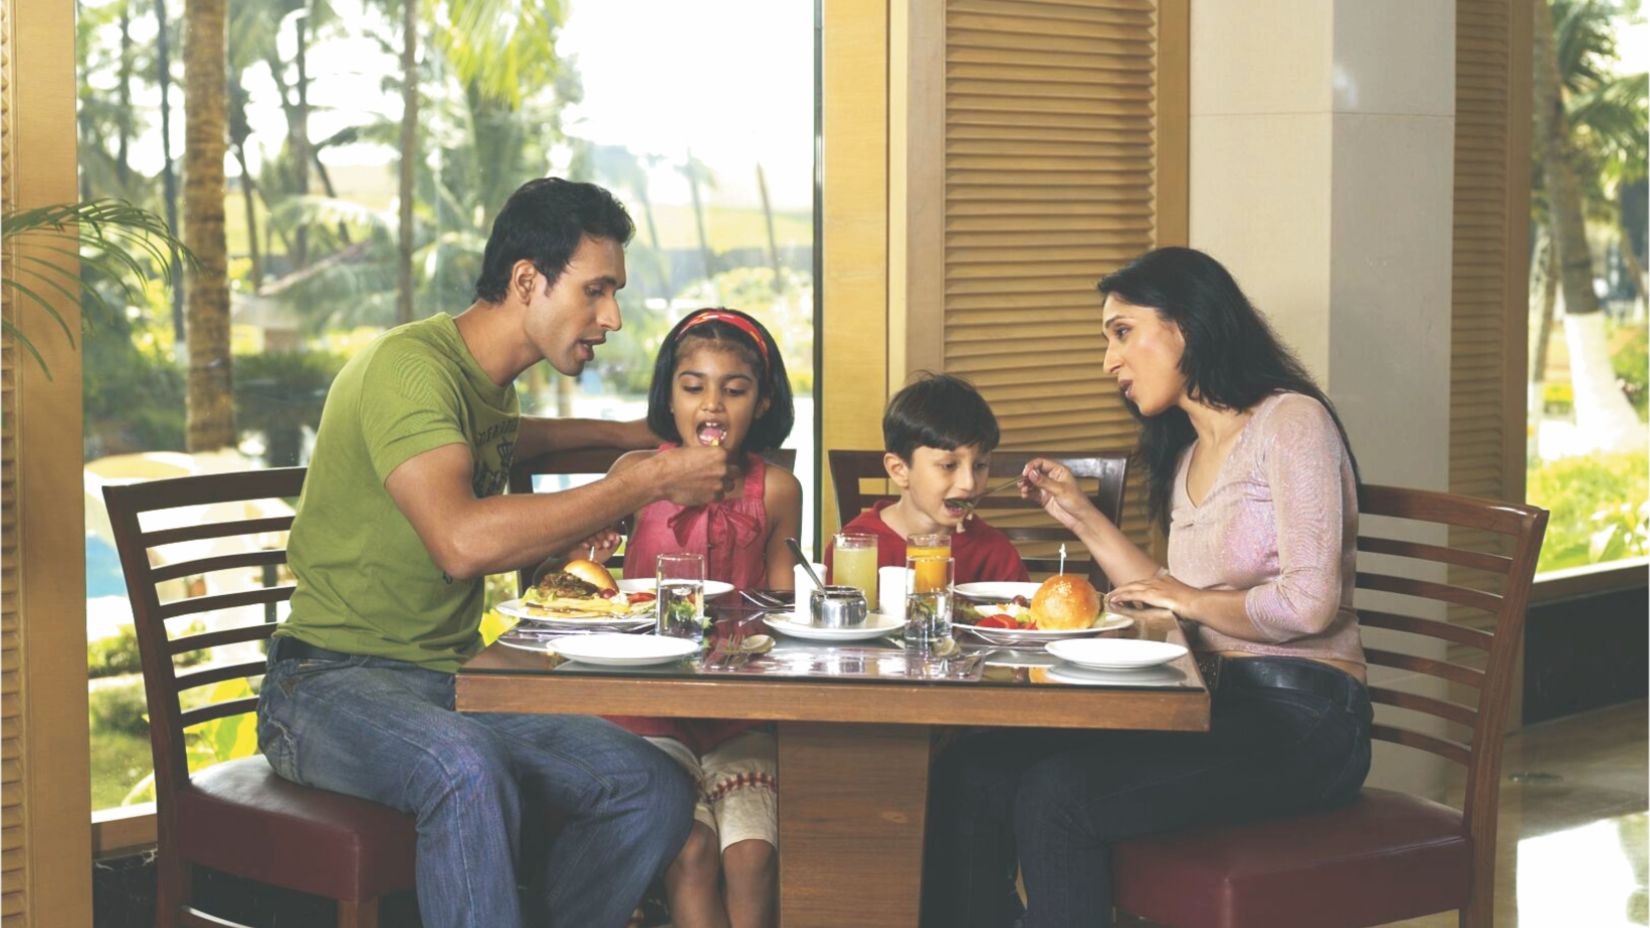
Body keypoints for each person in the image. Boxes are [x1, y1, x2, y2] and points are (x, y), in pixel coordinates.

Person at [256, 177, 743, 928]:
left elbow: (525, 442)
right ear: (527, 281)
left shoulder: (488, 392)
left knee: (650, 786)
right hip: (325, 687)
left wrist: (629, 439)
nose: (611, 317)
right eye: (596, 290)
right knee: (465, 769)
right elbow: (460, 542)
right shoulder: (410, 370)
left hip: (446, 688)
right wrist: (643, 479)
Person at [919, 246, 1374, 928]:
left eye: (1122, 332)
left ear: (1187, 324)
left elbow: (1309, 604)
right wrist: (1078, 513)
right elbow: (1166, 590)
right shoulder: (1190, 449)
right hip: (1209, 704)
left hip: (1305, 718)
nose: (1110, 361)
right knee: (975, 771)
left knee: (1057, 796)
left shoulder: (1290, 422)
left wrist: (1182, 598)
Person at [602, 307, 801, 928]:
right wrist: (589, 558)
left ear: (763, 402)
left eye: (734, 389)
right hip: (645, 711)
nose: (712, 404)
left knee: (749, 856)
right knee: (690, 853)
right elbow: (590, 589)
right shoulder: (636, 476)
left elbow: (783, 603)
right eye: (694, 387)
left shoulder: (776, 490)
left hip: (737, 712)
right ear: (670, 395)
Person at [825, 372, 1029, 583]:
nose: (969, 483)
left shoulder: (994, 552)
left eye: (980, 465)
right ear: (899, 470)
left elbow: (1020, 614)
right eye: (949, 465)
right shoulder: (855, 550)